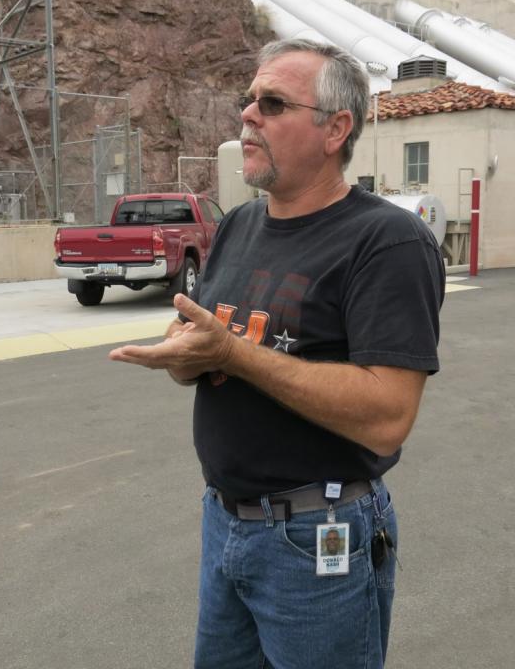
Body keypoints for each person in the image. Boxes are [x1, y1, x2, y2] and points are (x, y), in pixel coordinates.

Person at [110, 38, 445, 669]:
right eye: (248, 101)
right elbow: (209, 359)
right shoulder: (238, 225)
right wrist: (184, 356)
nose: (247, 117)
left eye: (272, 103)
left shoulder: (388, 241)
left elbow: (387, 415)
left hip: (318, 537)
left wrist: (232, 354)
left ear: (334, 129)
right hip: (225, 522)